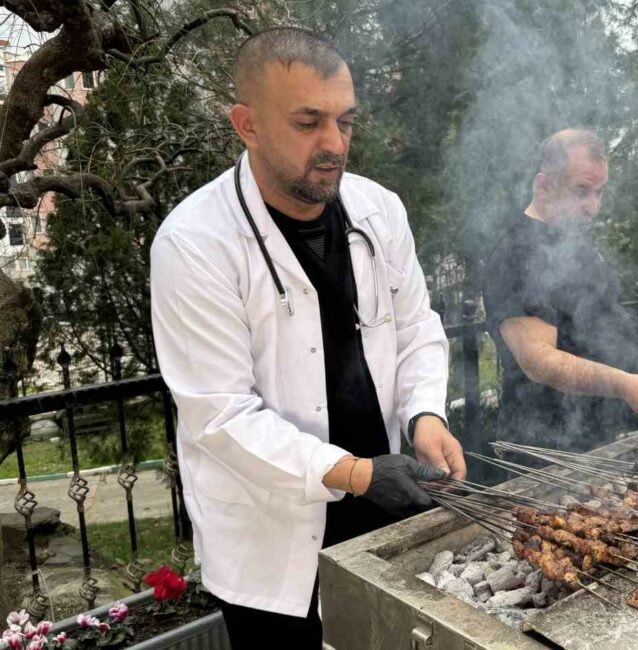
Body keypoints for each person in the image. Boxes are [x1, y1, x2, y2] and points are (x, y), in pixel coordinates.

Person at [149, 27, 465, 646]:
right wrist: (352, 473)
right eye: (308, 122)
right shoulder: (194, 244)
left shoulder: (380, 210)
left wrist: (425, 415)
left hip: (386, 511)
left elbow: (417, 329)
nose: (334, 145)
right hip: (272, 546)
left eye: (345, 121)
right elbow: (220, 416)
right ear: (247, 124)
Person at [482, 129, 638, 453]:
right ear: (543, 186)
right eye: (581, 191)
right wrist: (623, 384)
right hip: (546, 449)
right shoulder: (516, 254)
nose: (593, 207)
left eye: (599, 192)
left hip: (601, 439)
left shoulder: (575, 245)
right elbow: (539, 360)